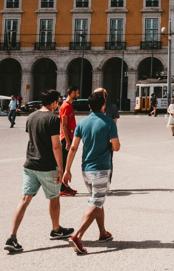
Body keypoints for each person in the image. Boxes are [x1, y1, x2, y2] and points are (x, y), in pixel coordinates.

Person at [4, 90, 74, 254]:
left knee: (24, 199)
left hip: (30, 165)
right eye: (57, 101)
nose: (58, 104)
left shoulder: (31, 117)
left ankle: (12, 237)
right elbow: (56, 145)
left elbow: (33, 139)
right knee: (54, 198)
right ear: (53, 103)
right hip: (47, 166)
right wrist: (61, 168)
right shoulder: (52, 118)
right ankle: (56, 229)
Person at [63, 90, 120, 255]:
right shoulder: (109, 122)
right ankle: (77, 236)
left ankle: (102, 232)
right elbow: (116, 146)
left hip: (85, 170)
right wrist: (110, 145)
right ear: (103, 105)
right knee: (96, 202)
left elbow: (73, 147)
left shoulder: (82, 123)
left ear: (89, 105)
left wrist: (67, 170)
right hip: (101, 169)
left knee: (97, 200)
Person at [59, 86, 79, 197]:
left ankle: (65, 186)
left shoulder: (69, 105)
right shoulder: (66, 106)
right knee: (64, 164)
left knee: (66, 164)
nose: (78, 95)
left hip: (69, 137)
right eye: (76, 93)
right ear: (71, 93)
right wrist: (67, 141)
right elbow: (64, 125)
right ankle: (62, 188)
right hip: (65, 139)